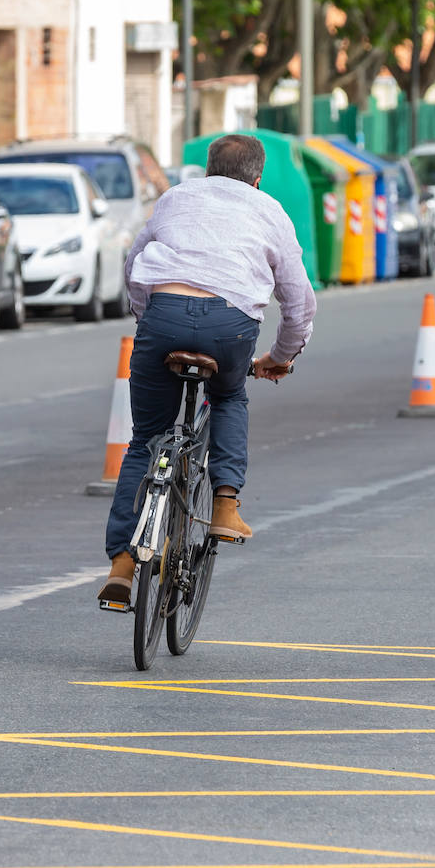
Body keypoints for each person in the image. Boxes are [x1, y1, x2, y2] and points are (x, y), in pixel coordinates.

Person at [97, 134, 318, 604]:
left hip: (164, 313)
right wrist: (282, 356)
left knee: (145, 438)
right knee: (230, 396)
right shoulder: (270, 211)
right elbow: (298, 300)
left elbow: (134, 261)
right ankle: (224, 504)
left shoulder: (176, 197)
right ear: (257, 179)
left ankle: (121, 561)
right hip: (229, 324)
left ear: (207, 168)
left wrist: (148, 317)